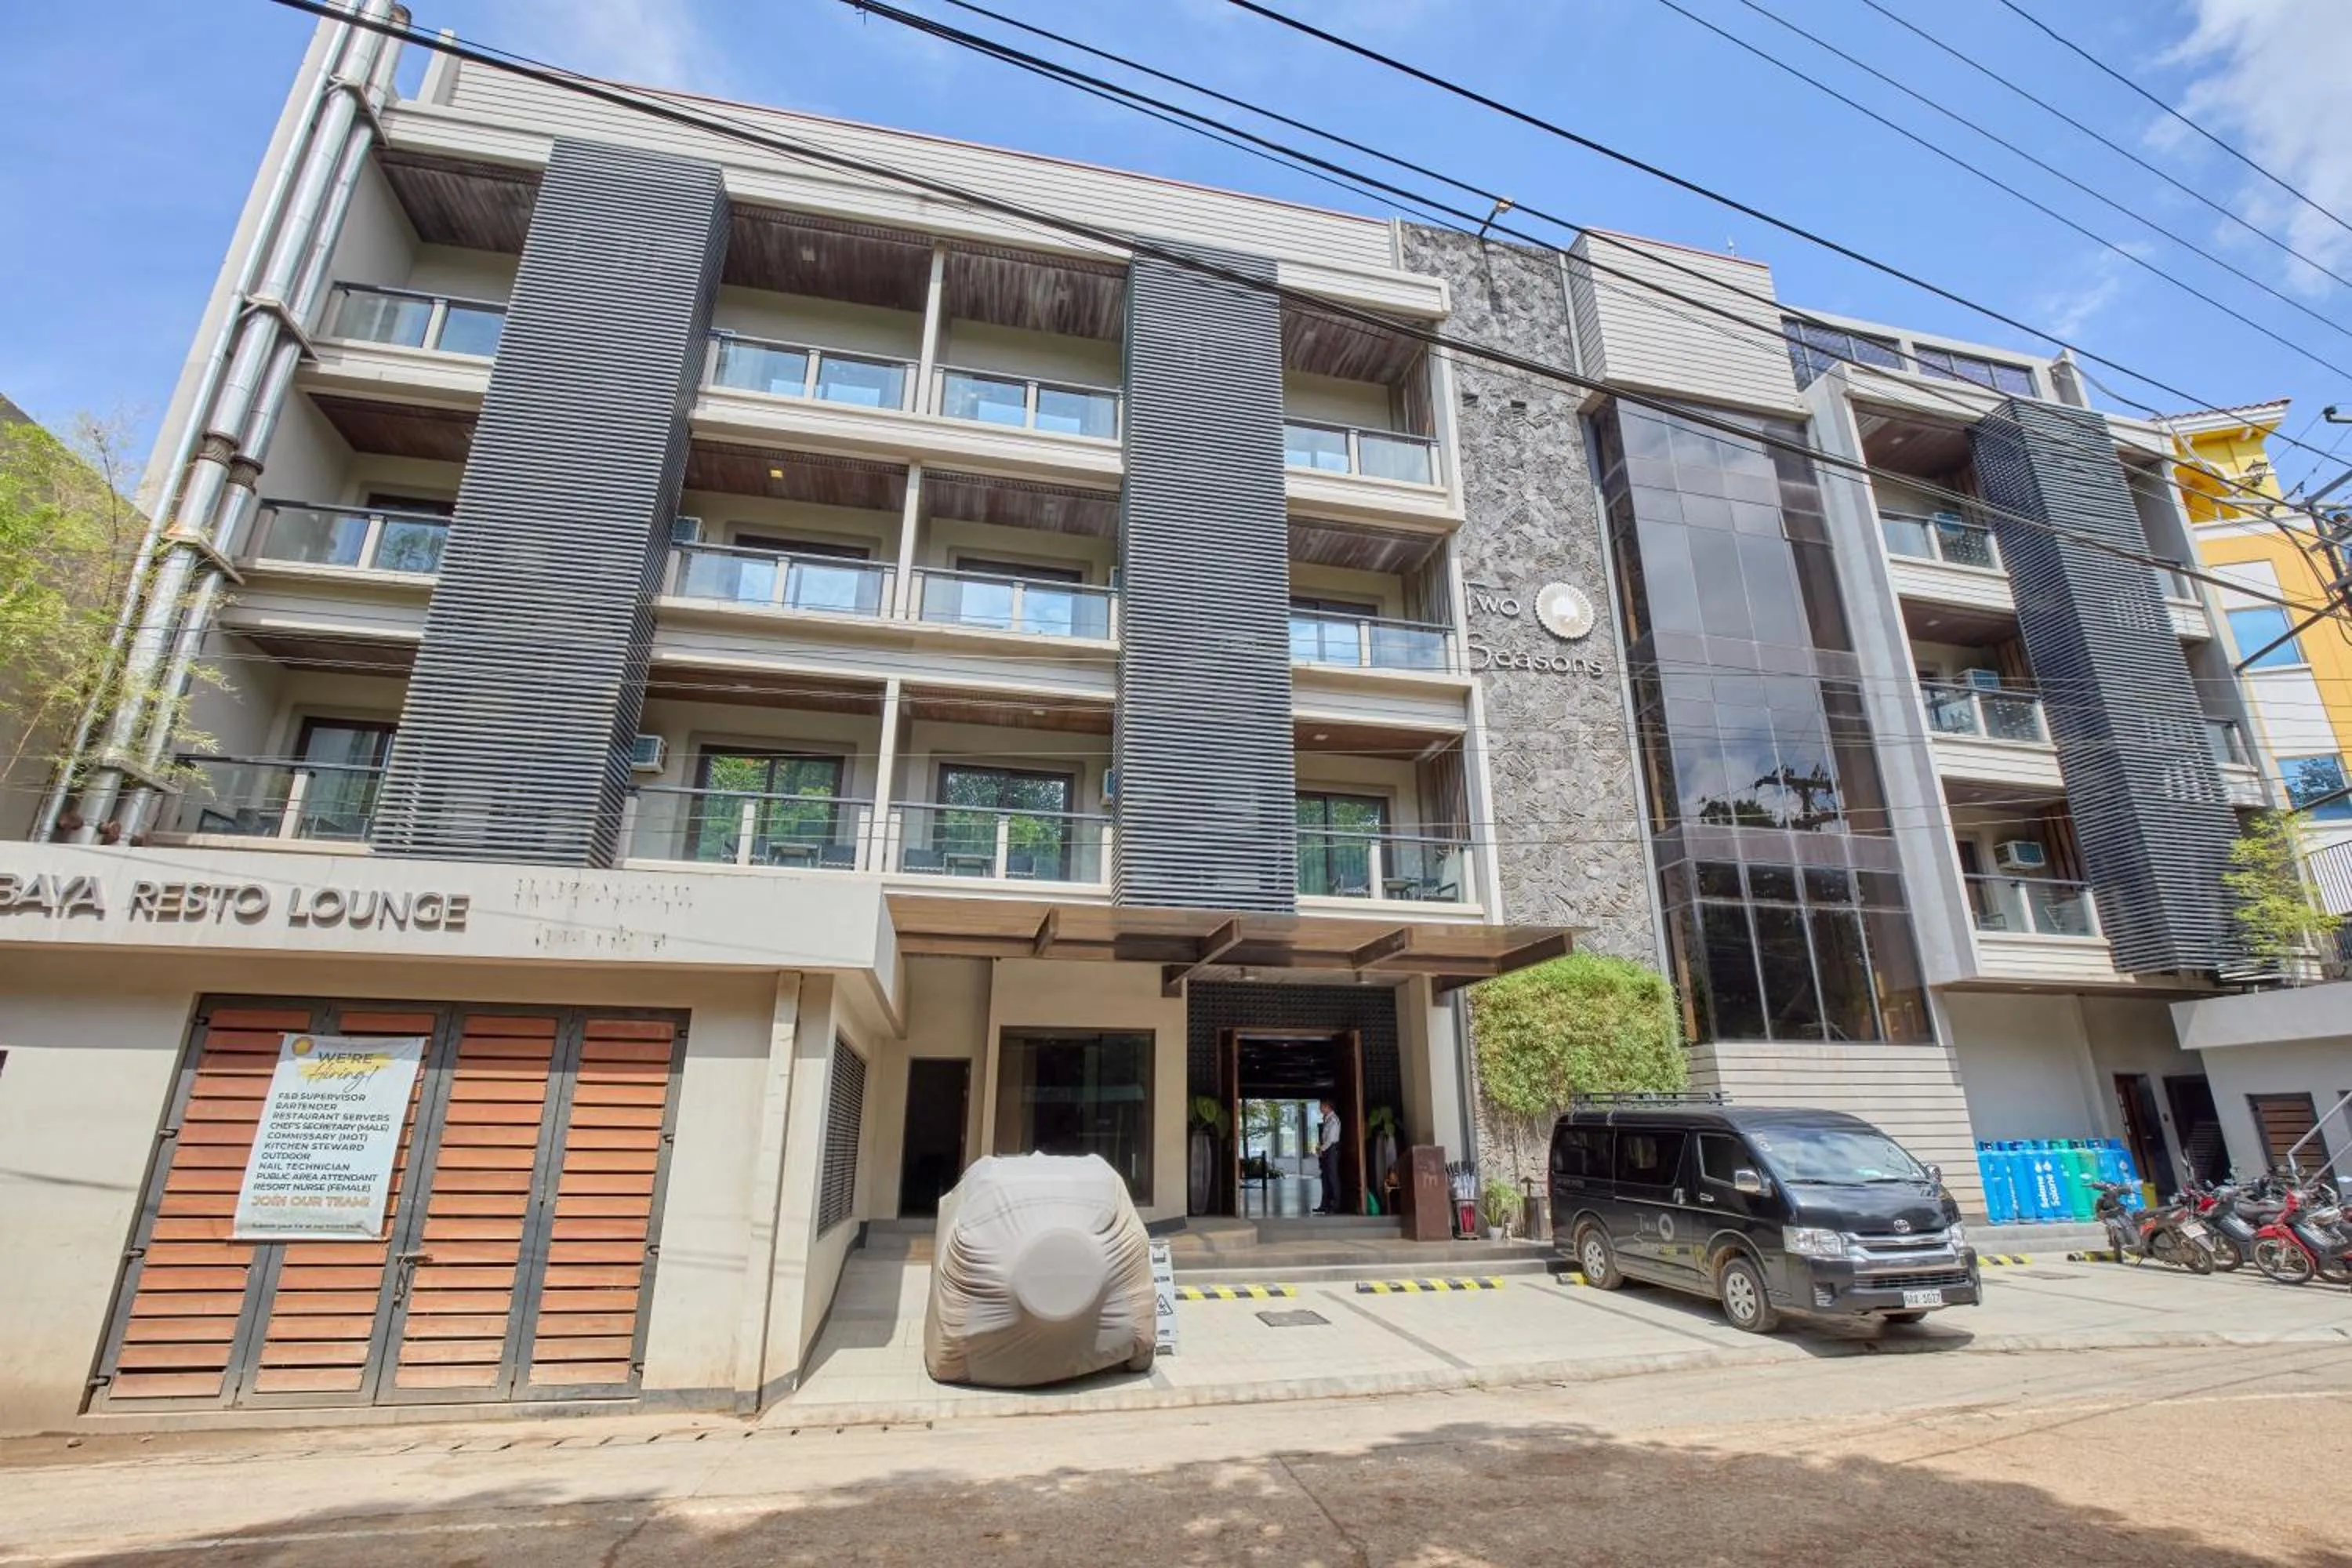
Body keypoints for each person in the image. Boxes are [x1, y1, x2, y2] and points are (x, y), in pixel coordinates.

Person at [1314, 1098, 1343, 1215]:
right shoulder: (1327, 1119)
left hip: (1331, 1150)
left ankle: (1336, 1205)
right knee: (1325, 1178)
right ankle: (1324, 1205)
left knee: (1332, 1177)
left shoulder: (1334, 1120)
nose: (1320, 1108)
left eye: (1322, 1106)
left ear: (1327, 1106)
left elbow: (1331, 1139)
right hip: (1326, 1150)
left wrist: (1322, 1149)